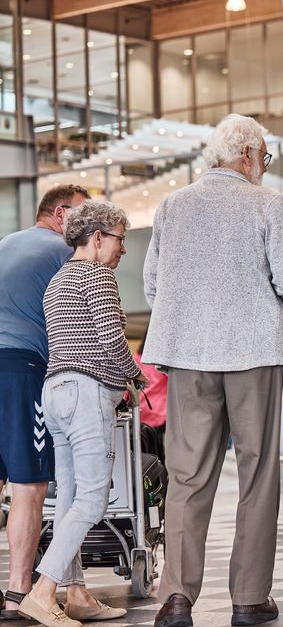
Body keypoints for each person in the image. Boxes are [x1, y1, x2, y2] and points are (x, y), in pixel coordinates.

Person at [143, 114, 283, 627]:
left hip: (189, 353)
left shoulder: (173, 205)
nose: (265, 166)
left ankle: (176, 597)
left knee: (187, 475)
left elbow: (152, 284)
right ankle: (249, 598)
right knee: (257, 473)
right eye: (265, 157)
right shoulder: (265, 203)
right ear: (247, 155)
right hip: (252, 351)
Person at [18, 201, 145, 627]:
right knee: (92, 499)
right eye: (119, 239)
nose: (122, 249)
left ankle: (76, 598)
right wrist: (135, 377)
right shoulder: (95, 274)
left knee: (70, 499)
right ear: (97, 238)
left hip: (55, 392)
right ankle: (41, 591)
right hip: (86, 393)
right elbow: (111, 335)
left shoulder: (58, 279)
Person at [0, 184, 88, 622]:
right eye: (84, 217)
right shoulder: (61, 251)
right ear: (60, 214)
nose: (91, 231)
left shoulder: (6, 244)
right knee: (29, 488)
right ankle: (19, 592)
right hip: (21, 369)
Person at [135, 331, 169, 463]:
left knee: (145, 450)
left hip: (141, 414)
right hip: (160, 415)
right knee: (160, 451)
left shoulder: (135, 359)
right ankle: (162, 478)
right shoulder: (159, 363)